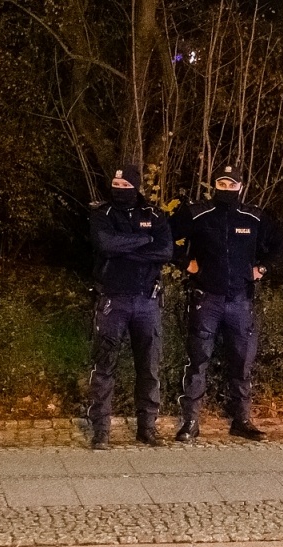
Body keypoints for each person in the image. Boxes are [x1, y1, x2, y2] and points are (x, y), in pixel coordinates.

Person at [172, 162, 283, 442]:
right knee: (198, 361)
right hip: (206, 299)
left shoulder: (254, 217)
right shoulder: (197, 213)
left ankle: (241, 420)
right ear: (214, 186)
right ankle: (190, 422)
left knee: (242, 363)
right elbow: (164, 238)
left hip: (240, 301)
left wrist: (263, 268)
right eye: (221, 184)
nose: (226, 189)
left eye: (231, 185)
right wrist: (185, 263)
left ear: (241, 187)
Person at [88, 162, 174, 450]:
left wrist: (127, 248)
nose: (120, 190)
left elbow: (165, 251)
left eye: (126, 186)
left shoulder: (154, 215)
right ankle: (100, 431)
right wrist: (143, 241)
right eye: (117, 185)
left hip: (147, 301)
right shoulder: (102, 214)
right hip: (114, 299)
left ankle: (146, 428)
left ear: (136, 187)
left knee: (148, 368)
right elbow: (105, 244)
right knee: (104, 367)